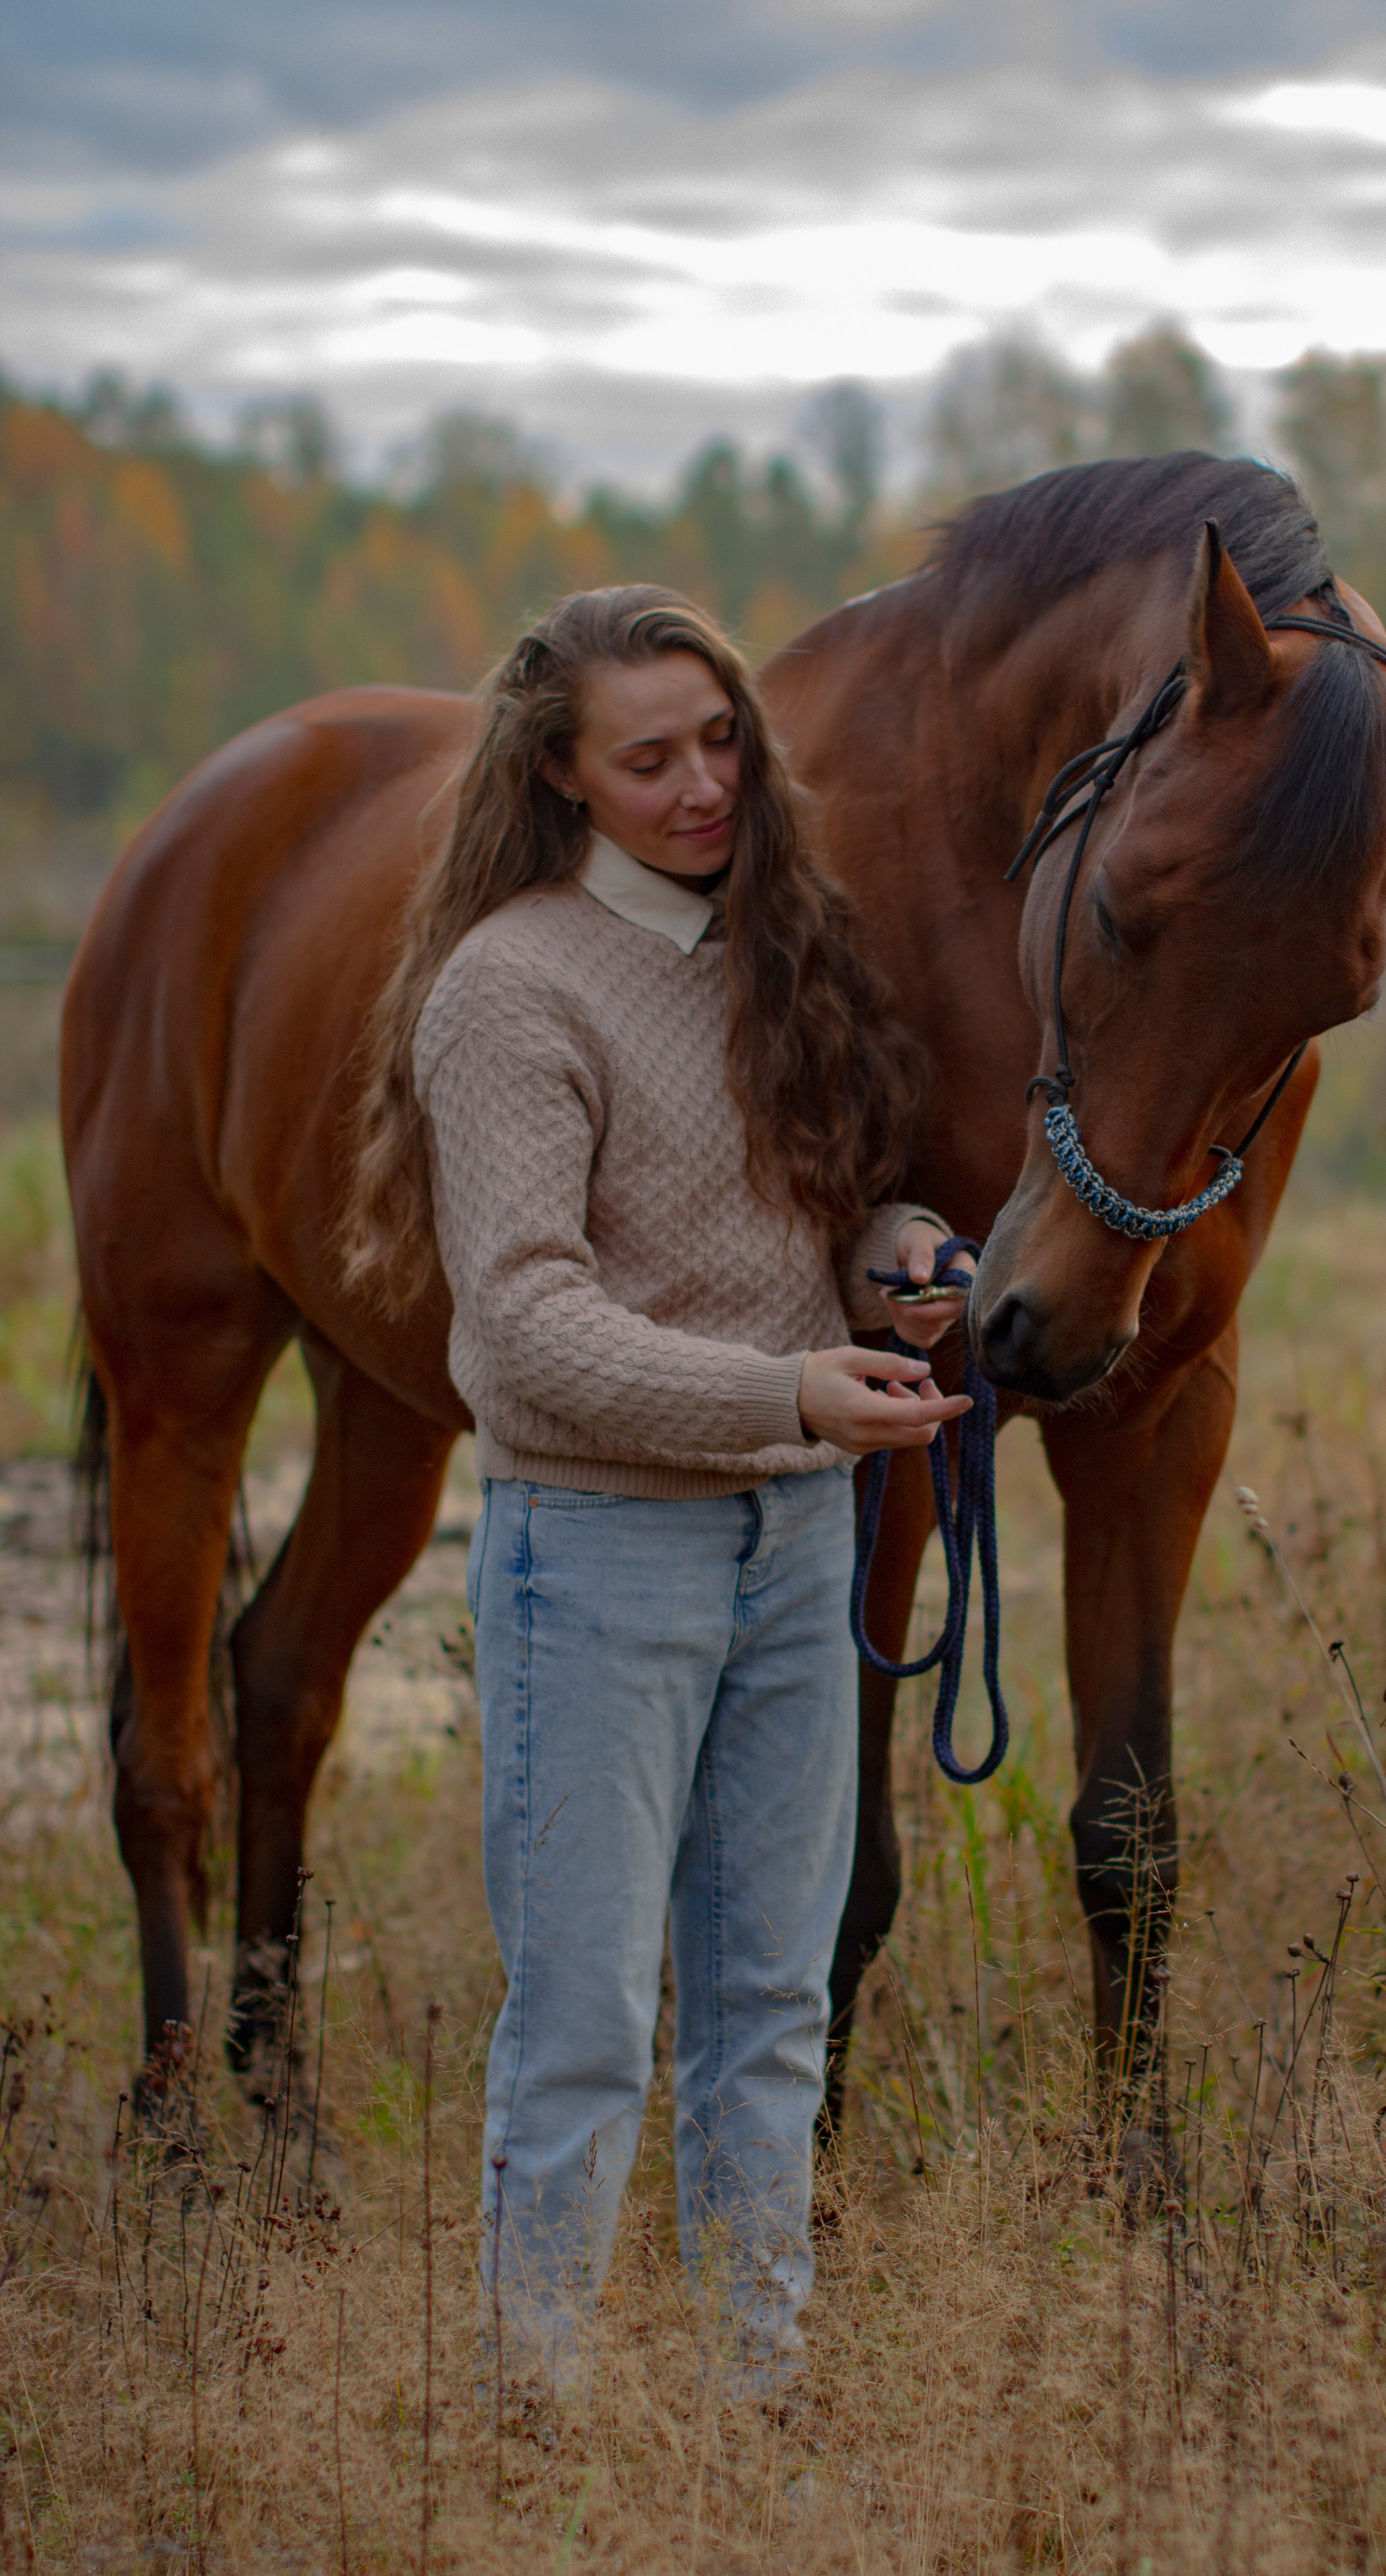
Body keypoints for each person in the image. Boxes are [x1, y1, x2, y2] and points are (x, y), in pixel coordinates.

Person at [343, 585, 970, 2397]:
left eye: (719, 742)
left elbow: (828, 1219)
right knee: (589, 2023)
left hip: (798, 1547)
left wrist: (909, 1257)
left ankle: (749, 2400)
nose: (703, 786)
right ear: (562, 778)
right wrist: (787, 1387)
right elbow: (528, 1326)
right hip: (601, 1557)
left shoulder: (783, 944)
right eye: (650, 759)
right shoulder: (511, 989)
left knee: (774, 2006)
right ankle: (538, 2412)